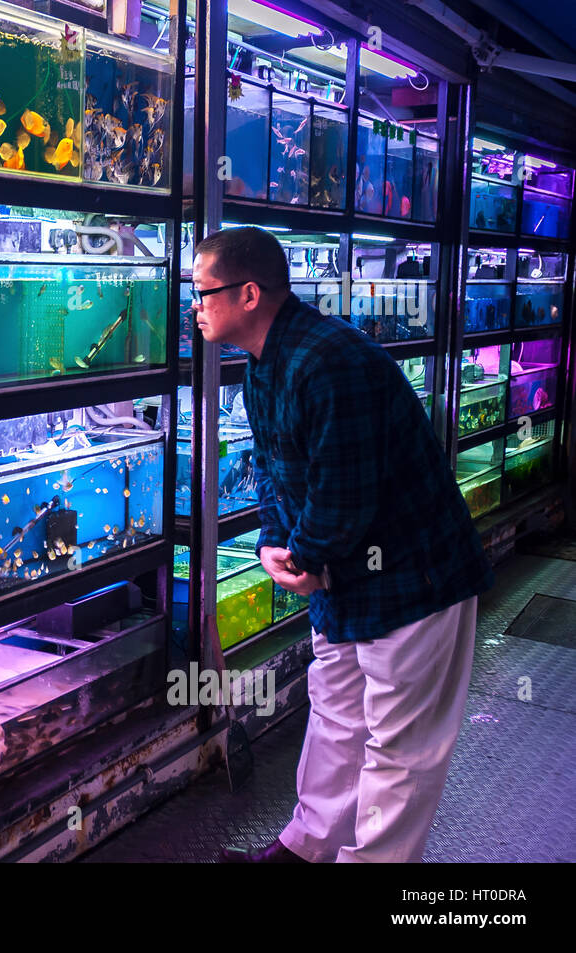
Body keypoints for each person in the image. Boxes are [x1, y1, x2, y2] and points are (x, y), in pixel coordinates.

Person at [190, 226, 494, 863]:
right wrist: (278, 544)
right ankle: (306, 850)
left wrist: (302, 555)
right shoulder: (265, 365)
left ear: (248, 294)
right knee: (336, 719)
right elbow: (278, 470)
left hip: (412, 582)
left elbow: (343, 494)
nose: (195, 305)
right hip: (343, 582)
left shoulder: (330, 361)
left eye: (203, 291)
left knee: (399, 751)